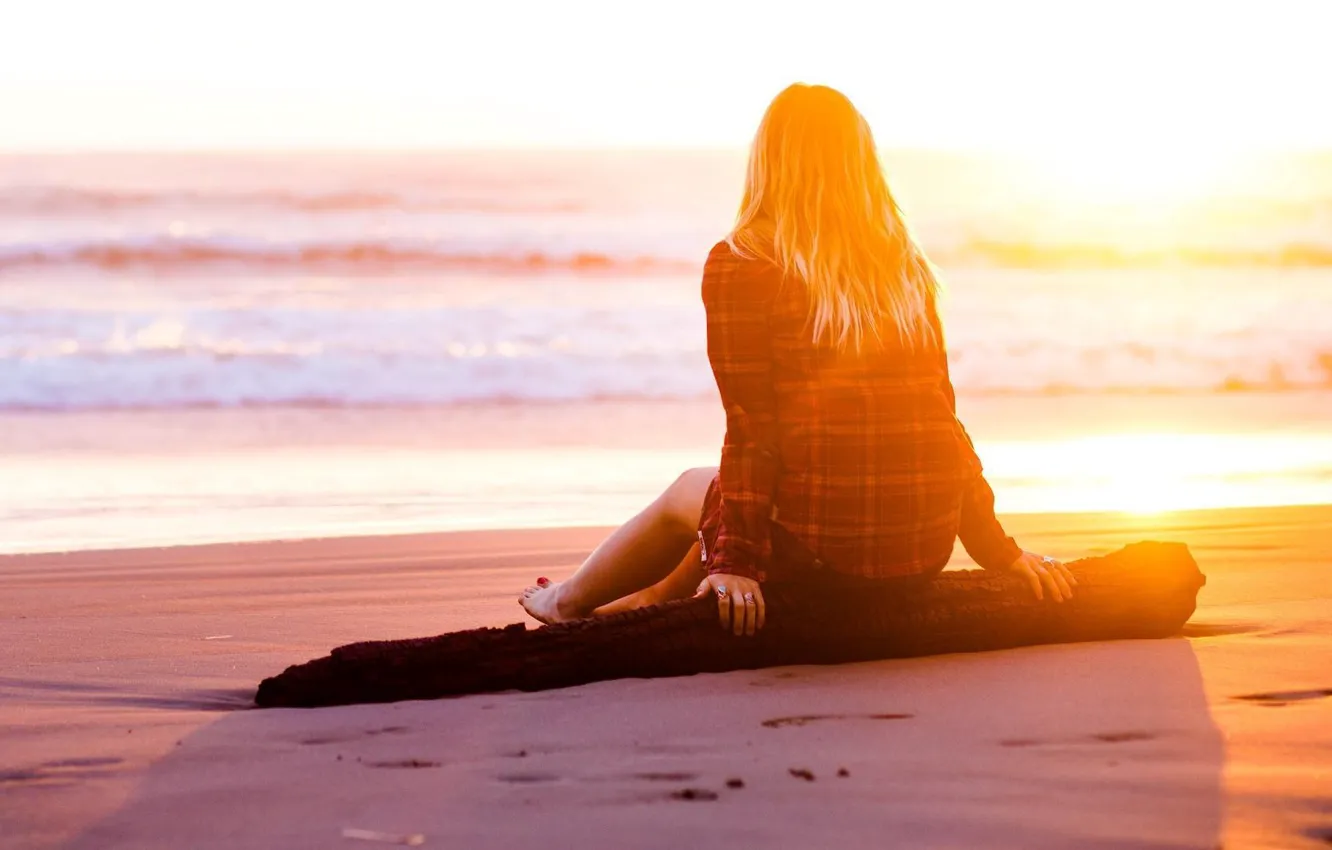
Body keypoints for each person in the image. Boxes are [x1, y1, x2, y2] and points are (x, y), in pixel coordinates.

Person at [520, 83, 1074, 635]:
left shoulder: (745, 262)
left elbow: (753, 428)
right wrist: (996, 549)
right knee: (741, 496)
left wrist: (738, 562)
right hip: (918, 552)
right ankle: (657, 600)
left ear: (768, 160)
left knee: (689, 489)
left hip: (820, 562)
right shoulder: (904, 263)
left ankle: (565, 603)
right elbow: (941, 415)